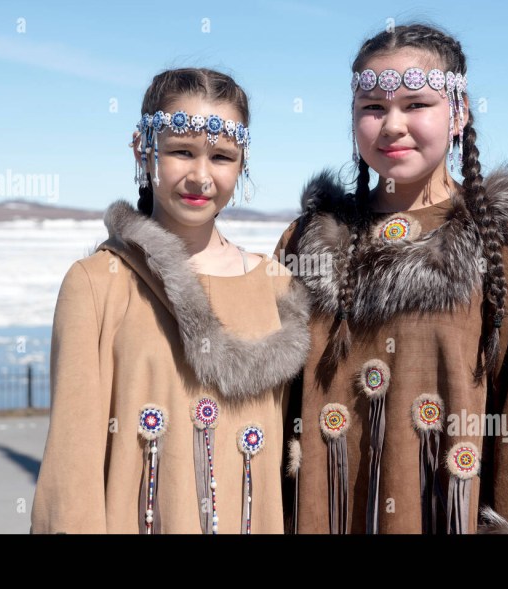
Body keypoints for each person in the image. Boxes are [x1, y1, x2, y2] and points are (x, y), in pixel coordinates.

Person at [275, 24, 508, 534]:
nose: (392, 125)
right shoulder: (307, 239)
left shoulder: (505, 236)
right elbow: (276, 399)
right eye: (372, 107)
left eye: (416, 104)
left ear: (459, 113)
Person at [31, 68, 310, 534]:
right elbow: (71, 469)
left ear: (242, 164)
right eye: (182, 152)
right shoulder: (99, 284)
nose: (201, 176)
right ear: (144, 151)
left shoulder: (277, 285)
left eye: (221, 156)